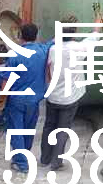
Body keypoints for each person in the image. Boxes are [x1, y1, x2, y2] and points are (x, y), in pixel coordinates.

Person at [39, 19, 94, 170]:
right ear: (74, 33)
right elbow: (92, 39)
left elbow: (48, 68)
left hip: (53, 96)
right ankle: (56, 162)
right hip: (69, 99)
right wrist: (97, 26)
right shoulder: (78, 48)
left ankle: (45, 159)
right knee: (63, 129)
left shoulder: (52, 50)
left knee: (49, 127)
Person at [3, 21, 50, 173]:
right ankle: (25, 154)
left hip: (16, 100)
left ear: (20, 36)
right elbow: (54, 41)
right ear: (36, 36)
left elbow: (6, 81)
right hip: (34, 100)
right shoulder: (43, 51)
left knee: (16, 130)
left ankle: (21, 163)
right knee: (29, 129)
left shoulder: (14, 55)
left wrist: (1, 100)